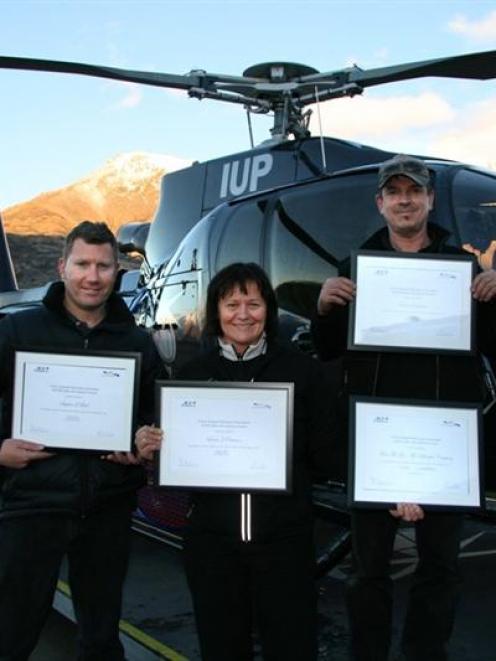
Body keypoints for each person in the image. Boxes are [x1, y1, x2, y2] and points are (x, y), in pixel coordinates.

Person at [311, 154, 496, 661]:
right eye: (394, 192)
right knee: (368, 569)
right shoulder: (354, 268)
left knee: (441, 567)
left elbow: (490, 342)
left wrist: (494, 295)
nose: (405, 199)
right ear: (381, 203)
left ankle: (424, 653)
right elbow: (329, 350)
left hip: (443, 441)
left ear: (429, 199)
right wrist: (324, 307)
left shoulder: (462, 266)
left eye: (414, 190)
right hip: (377, 441)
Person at [137, 262, 335, 661]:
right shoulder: (192, 376)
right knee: (222, 646)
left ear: (269, 310)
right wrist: (149, 443)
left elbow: (326, 456)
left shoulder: (304, 372)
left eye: (253, 303)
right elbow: (170, 454)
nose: (243, 314)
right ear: (216, 311)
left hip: (284, 540)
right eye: (231, 304)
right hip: (212, 543)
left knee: (292, 644)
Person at [0, 221, 165, 660]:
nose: (93, 276)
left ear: (117, 271)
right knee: (12, 632)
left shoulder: (136, 342)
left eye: (104, 266)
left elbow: (154, 416)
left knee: (101, 637)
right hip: (33, 505)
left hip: (107, 509)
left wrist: (141, 444)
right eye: (83, 264)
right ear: (63, 267)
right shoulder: (18, 332)